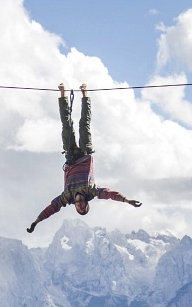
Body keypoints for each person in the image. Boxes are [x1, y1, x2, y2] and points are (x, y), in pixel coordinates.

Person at [27, 83, 141, 234]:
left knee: (66, 126)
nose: (80, 204)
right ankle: (85, 95)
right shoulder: (91, 191)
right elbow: (110, 194)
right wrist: (127, 200)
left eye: (78, 206)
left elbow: (52, 209)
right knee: (84, 125)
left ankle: (62, 94)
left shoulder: (67, 196)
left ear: (75, 205)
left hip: (70, 155)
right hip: (85, 153)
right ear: (87, 201)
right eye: (83, 205)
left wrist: (36, 222)